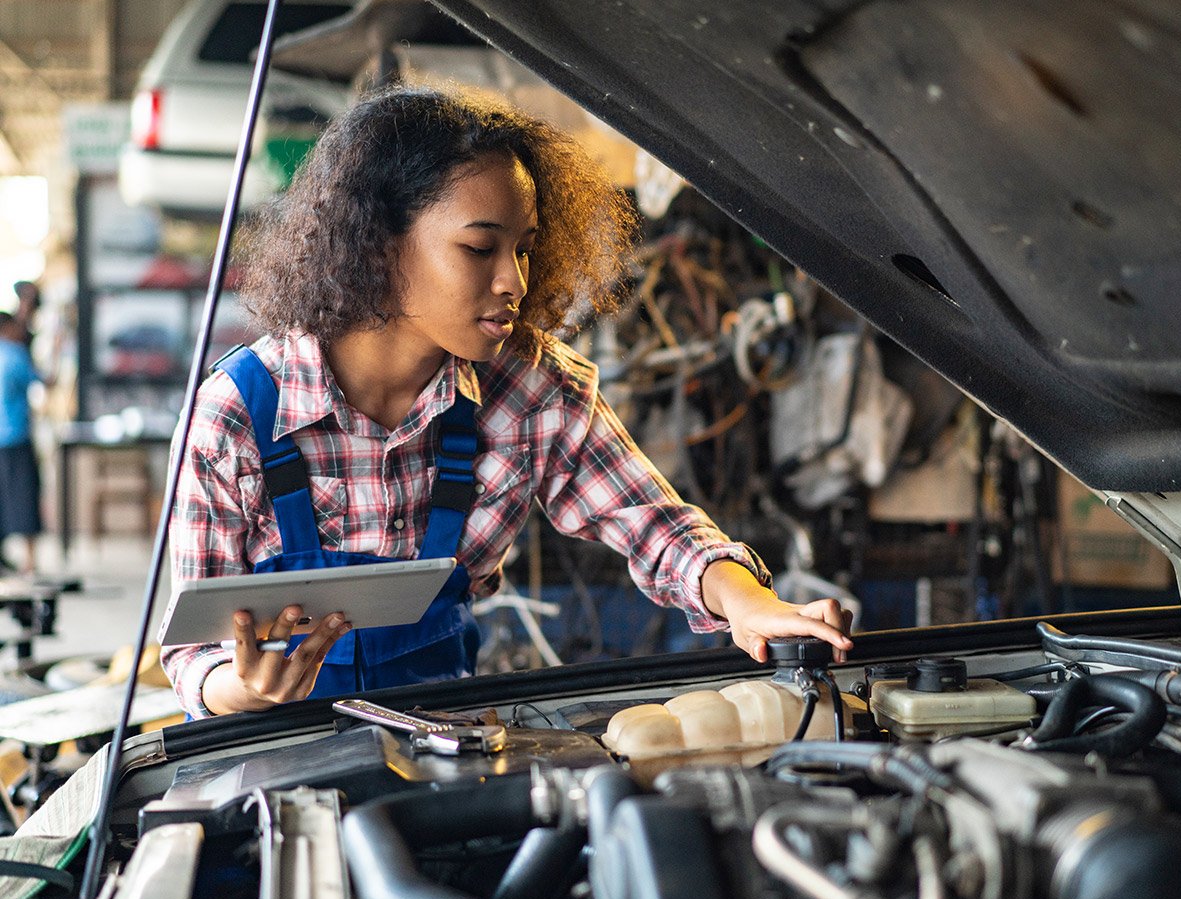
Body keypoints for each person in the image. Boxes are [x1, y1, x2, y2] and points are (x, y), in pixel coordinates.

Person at [162, 86, 852, 719]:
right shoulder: (235, 418)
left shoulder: (529, 390)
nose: (513, 282)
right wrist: (247, 688)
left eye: (524, 250)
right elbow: (191, 658)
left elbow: (656, 525)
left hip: (444, 746)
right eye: (479, 248)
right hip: (273, 759)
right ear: (377, 245)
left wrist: (751, 606)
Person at [0, 311, 42, 575]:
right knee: (25, 497)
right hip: (16, 437)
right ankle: (30, 560)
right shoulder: (15, 354)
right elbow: (41, 382)